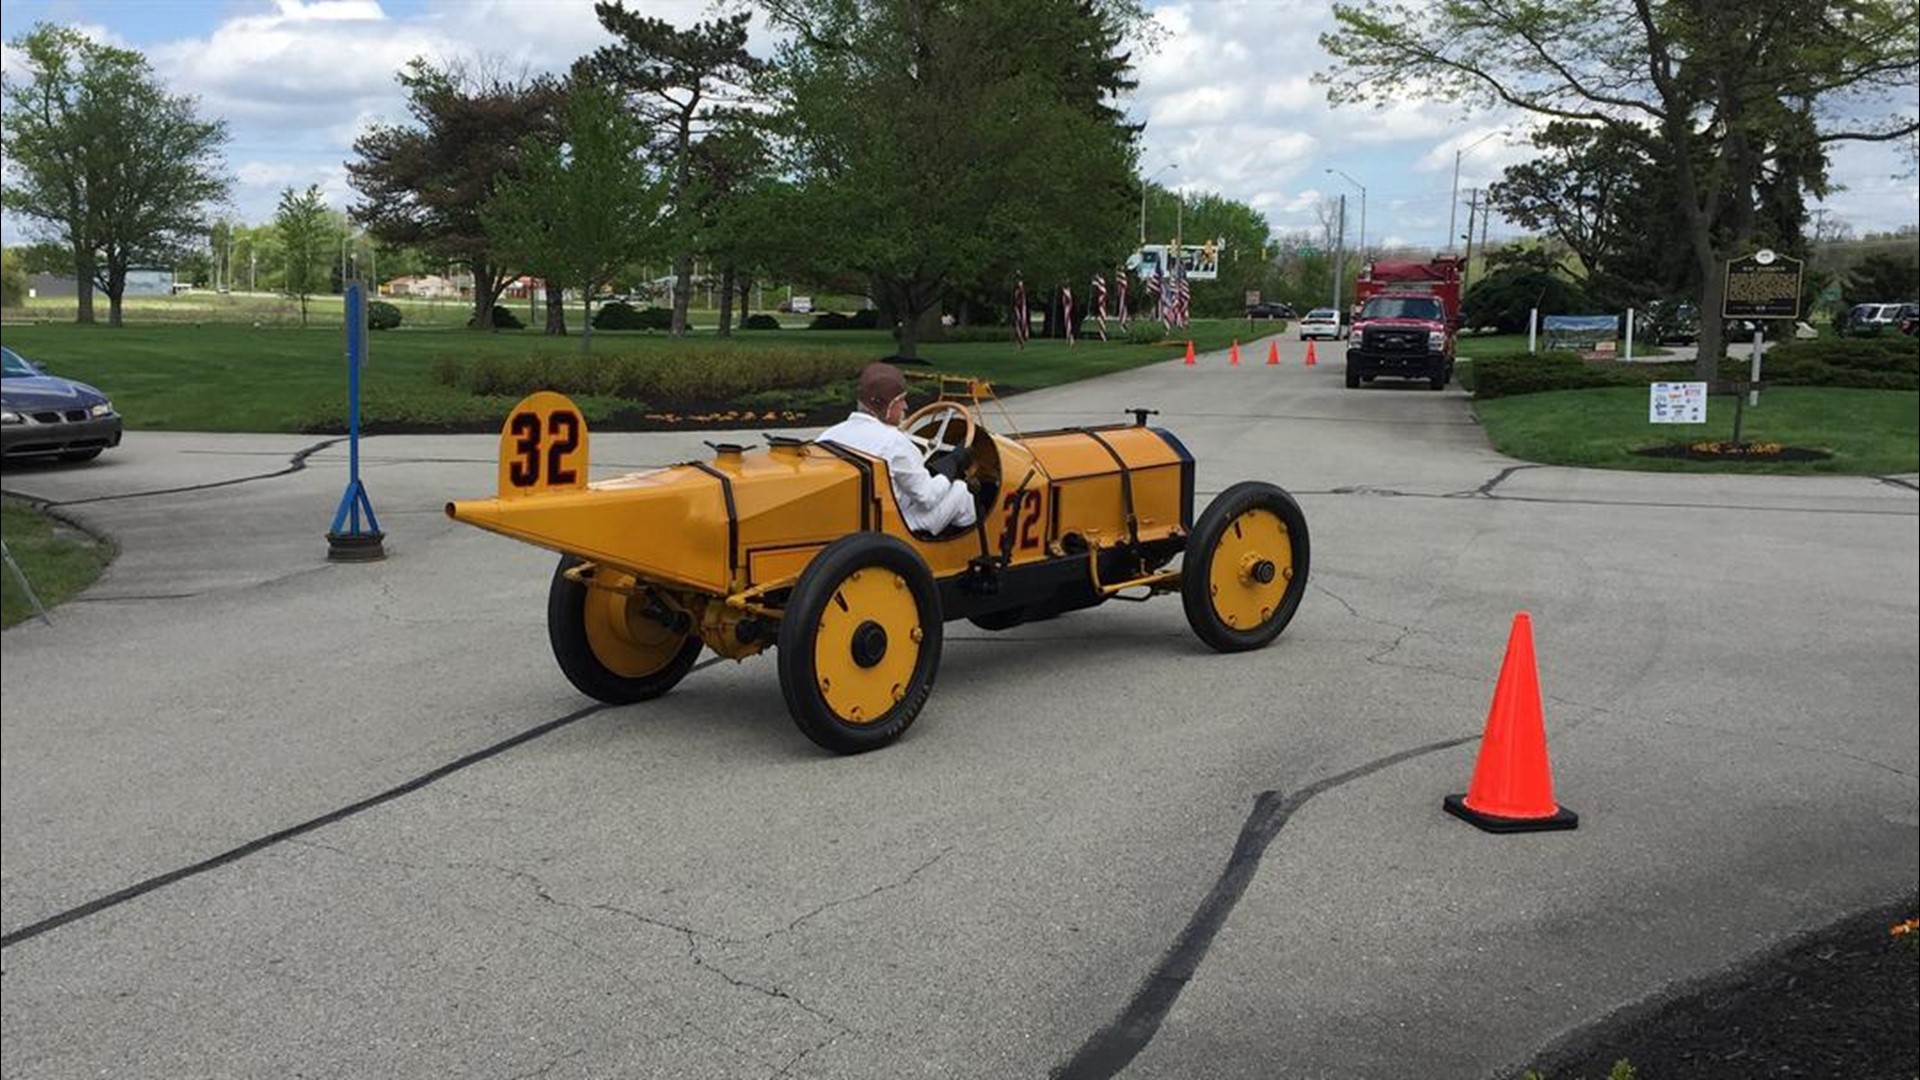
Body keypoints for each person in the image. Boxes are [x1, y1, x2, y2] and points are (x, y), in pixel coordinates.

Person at [818, 362, 978, 535]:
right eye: (901, 400)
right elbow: (927, 498)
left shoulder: (829, 435)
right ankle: (961, 551)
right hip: (890, 529)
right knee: (961, 491)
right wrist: (954, 463)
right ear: (889, 405)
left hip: (848, 524)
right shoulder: (893, 441)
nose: (906, 406)